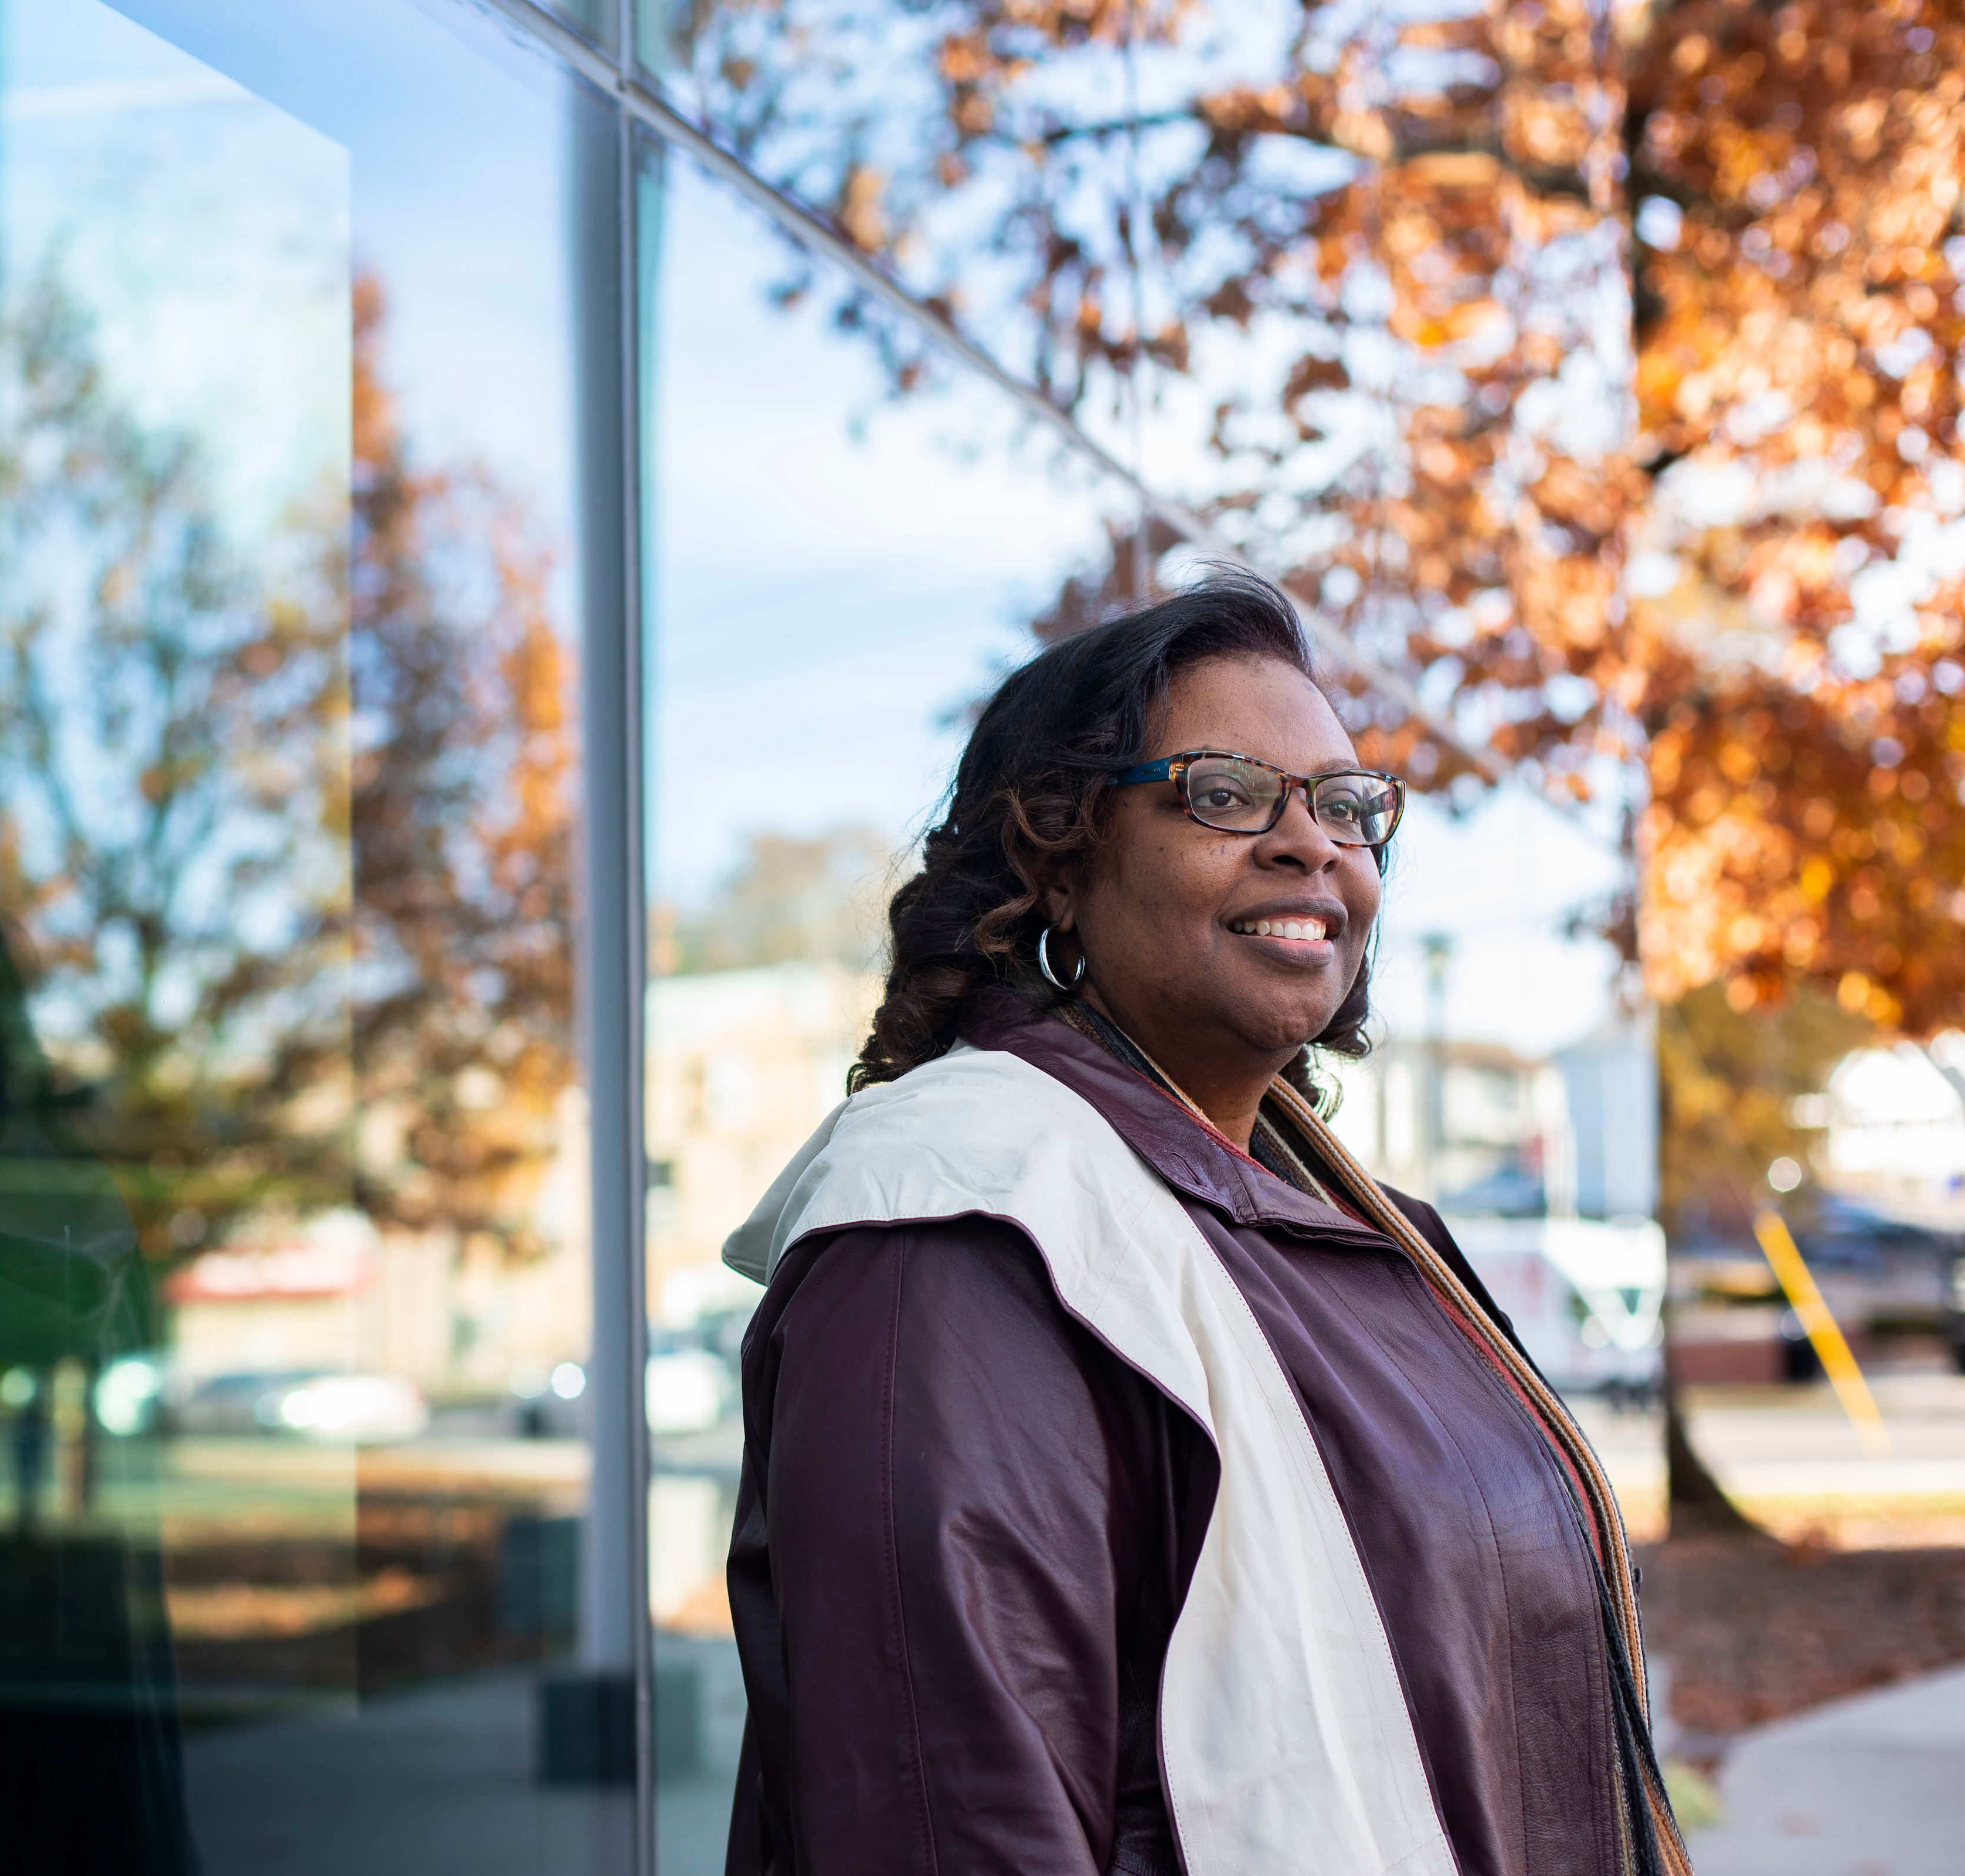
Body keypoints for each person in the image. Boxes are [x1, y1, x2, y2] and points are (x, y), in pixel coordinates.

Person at [718, 572, 1689, 1876]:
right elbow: (947, 1823)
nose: (1313, 844)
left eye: (1347, 806)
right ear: (1056, 861)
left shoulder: (1359, 1229)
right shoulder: (956, 1227)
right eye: (1224, 793)